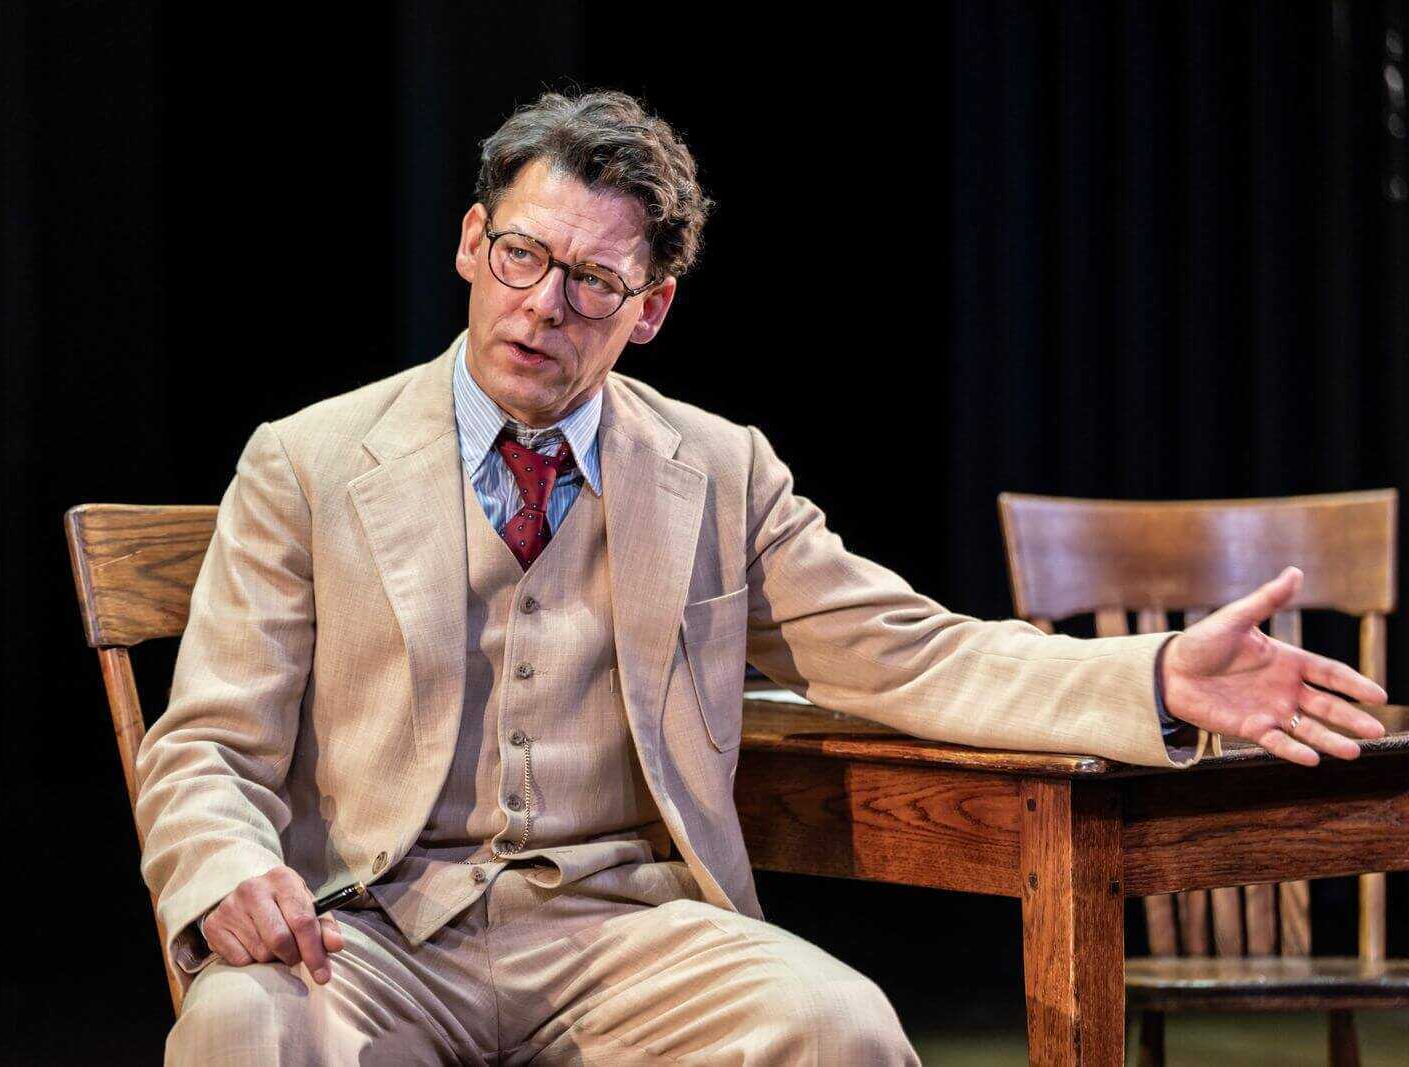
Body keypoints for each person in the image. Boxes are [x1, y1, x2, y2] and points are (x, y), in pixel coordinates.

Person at [134, 89, 1388, 1065]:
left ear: (650, 307)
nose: (545, 304)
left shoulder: (718, 472)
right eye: (521, 255)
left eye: (594, 281)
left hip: (625, 934)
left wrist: (1153, 673)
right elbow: (208, 744)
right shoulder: (309, 460)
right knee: (243, 1026)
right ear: (472, 244)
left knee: (835, 1026)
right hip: (371, 932)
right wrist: (225, 868)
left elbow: (910, 652)